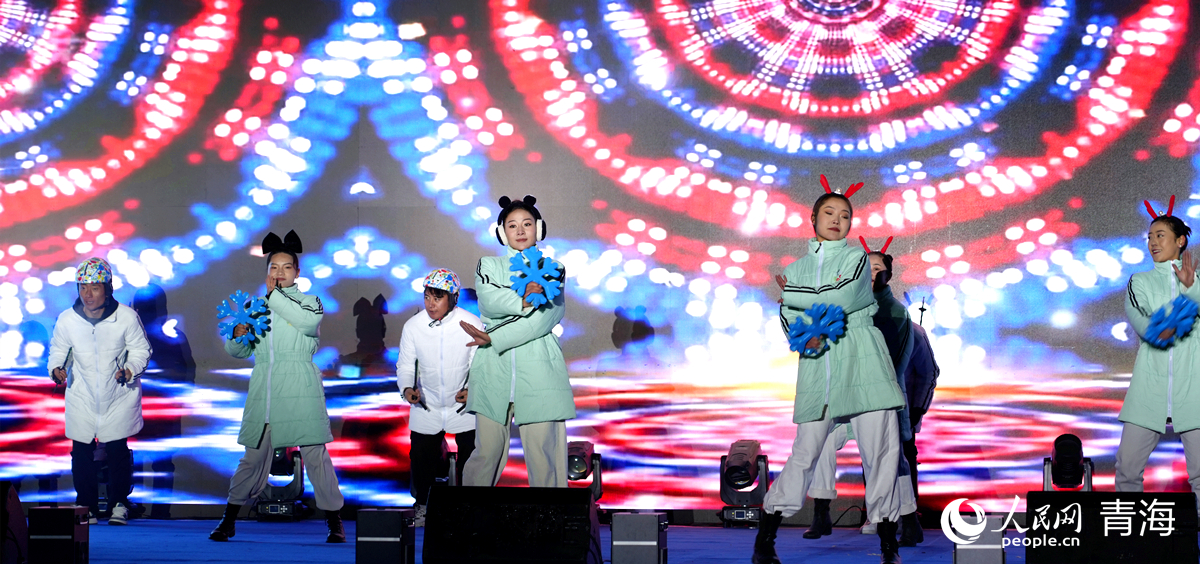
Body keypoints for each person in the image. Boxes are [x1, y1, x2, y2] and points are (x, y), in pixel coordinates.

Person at [753, 179, 906, 564]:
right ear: (813, 219)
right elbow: (794, 327)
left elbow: (844, 299)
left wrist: (795, 296)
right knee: (804, 453)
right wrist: (801, 308)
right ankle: (765, 538)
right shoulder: (796, 267)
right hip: (819, 362)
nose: (837, 220)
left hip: (863, 358)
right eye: (829, 213)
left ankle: (889, 545)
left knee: (882, 454)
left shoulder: (856, 258)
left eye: (845, 215)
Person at [209, 230, 346, 543]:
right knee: (253, 458)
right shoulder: (256, 306)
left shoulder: (310, 302)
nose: (279, 273)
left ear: (297, 272)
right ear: (266, 271)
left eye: (286, 267)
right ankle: (229, 519)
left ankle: (333, 521)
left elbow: (308, 324)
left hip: (300, 385)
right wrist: (237, 334)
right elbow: (239, 351)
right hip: (266, 388)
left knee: (315, 455)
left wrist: (275, 298)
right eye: (273, 267)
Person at [802, 241, 923, 546]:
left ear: (888, 275)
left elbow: (892, 365)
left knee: (889, 461)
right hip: (845, 397)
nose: (871, 274)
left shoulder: (895, 312)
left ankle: (909, 521)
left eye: (878, 269)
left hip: (878, 397)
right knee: (820, 441)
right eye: (865, 268)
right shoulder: (844, 305)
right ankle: (821, 510)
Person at [459, 195, 574, 488]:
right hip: (492, 368)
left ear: (539, 228)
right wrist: (523, 299)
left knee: (544, 454)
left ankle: (551, 527)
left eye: (527, 224)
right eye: (512, 225)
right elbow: (489, 302)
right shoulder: (489, 264)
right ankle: (469, 525)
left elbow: (546, 318)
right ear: (502, 232)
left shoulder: (554, 268)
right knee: (485, 453)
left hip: (538, 368)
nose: (520, 230)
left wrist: (494, 337)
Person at [48, 257, 152, 526]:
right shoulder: (68, 319)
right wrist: (57, 368)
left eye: (94, 287)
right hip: (82, 394)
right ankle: (87, 505)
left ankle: (119, 503)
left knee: (117, 449)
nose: (88, 294)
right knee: (81, 451)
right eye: (83, 287)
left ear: (108, 288)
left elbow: (141, 350)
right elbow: (59, 350)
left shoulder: (126, 317)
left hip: (118, 394)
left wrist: (129, 370)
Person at [1117, 200, 1200, 514]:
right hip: (1148, 391)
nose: (1152, 242)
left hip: (1194, 392)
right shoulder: (1139, 282)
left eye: (1160, 235)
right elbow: (1152, 330)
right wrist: (1187, 307)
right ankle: (1129, 539)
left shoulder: (1198, 281)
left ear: (1180, 240)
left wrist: (1191, 289)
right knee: (1127, 469)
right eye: (1150, 237)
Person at [397, 268, 485, 525]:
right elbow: (405, 365)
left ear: (453, 298)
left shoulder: (471, 323)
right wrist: (407, 389)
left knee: (472, 459)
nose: (431, 303)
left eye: (437, 297)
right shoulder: (413, 325)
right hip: (428, 404)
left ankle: (469, 510)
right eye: (427, 297)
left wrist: (472, 391)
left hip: (463, 406)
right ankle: (423, 507)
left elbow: (478, 364)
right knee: (421, 458)